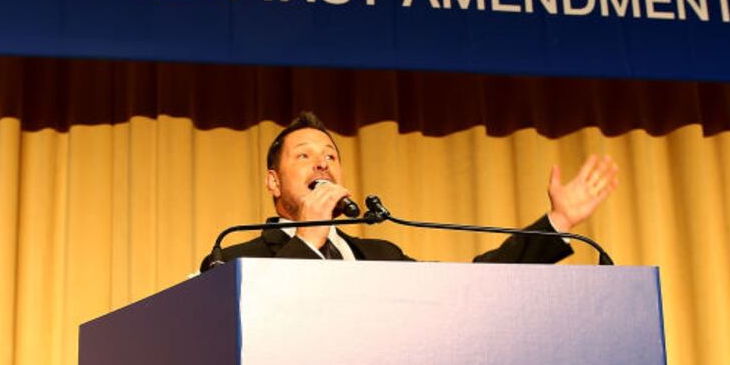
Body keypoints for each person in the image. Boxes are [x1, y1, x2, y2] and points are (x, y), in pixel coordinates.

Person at [201, 112, 619, 270]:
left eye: (330, 155)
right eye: (304, 156)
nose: (322, 163)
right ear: (273, 181)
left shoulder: (381, 257)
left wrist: (557, 223)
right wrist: (310, 238)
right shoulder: (232, 258)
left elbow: (472, 286)